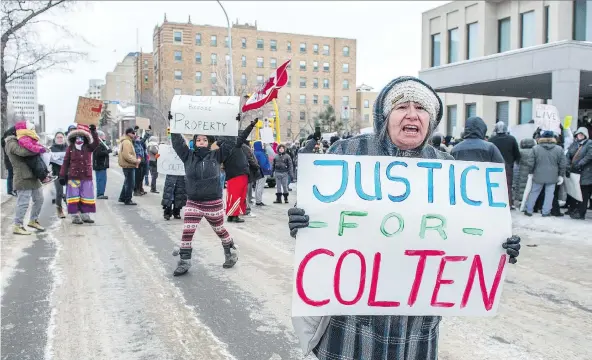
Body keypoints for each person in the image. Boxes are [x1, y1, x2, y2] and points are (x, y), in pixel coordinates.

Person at [287, 76, 521, 360]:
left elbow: (463, 232)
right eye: (401, 106)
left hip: (415, 327)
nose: (412, 114)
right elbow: (320, 220)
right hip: (351, 322)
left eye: (421, 108)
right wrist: (302, 222)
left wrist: (495, 243)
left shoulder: (446, 166)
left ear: (431, 120)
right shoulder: (346, 154)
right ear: (385, 116)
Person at [169, 113, 256, 275]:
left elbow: (231, 142)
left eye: (204, 140)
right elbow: (177, 143)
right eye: (198, 140)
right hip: (193, 201)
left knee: (220, 230)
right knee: (187, 231)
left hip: (212, 202)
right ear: (194, 142)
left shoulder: (216, 154)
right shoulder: (188, 156)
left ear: (209, 142)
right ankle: (184, 261)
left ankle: (230, 251)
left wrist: (232, 122)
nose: (201, 142)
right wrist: (173, 126)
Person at [4, 131, 46, 235]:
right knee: (23, 203)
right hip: (22, 177)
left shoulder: (22, 141)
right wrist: (38, 149)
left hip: (33, 175)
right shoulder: (11, 143)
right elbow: (23, 152)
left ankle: (33, 220)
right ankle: (17, 226)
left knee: (39, 199)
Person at [59, 124, 100, 224]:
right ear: (73, 138)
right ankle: (75, 216)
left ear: (85, 138)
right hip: (73, 177)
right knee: (74, 196)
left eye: (81, 137)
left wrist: (93, 131)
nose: (79, 139)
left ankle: (85, 214)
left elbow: (96, 143)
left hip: (86, 177)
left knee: (86, 196)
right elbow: (65, 162)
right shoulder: (71, 148)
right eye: (77, 137)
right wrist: (62, 175)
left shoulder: (88, 147)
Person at [523, 130, 567, 217]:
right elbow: (563, 164)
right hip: (552, 176)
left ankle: (529, 210)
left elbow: (530, 162)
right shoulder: (559, 149)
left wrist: (531, 172)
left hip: (538, 175)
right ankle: (545, 212)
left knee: (534, 192)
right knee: (550, 194)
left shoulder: (535, 148)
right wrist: (561, 175)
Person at [489, 122, 521, 209]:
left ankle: (494, 203)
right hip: (508, 166)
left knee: (494, 186)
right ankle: (509, 205)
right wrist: (512, 162)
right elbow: (517, 154)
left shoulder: (492, 140)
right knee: (508, 186)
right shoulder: (511, 139)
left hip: (494, 166)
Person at [223, 134, 251, 223]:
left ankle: (231, 215)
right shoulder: (235, 146)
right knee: (238, 196)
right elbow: (243, 136)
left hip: (233, 175)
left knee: (232, 196)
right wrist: (251, 126)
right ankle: (235, 215)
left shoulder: (224, 149)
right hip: (238, 175)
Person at [567, 127, 592, 219]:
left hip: (586, 173)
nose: (580, 135)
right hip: (575, 172)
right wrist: (568, 165)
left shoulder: (589, 143)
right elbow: (568, 155)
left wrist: (580, 164)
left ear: (585, 135)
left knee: (584, 194)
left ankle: (582, 213)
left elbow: (590, 155)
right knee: (575, 192)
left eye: (582, 134)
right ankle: (573, 210)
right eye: (578, 134)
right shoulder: (574, 144)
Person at [118, 127, 141, 205]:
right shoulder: (127, 142)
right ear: (128, 133)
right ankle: (128, 199)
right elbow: (127, 155)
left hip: (128, 165)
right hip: (129, 165)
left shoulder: (127, 141)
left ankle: (122, 197)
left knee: (127, 182)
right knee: (130, 183)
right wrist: (136, 161)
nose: (134, 135)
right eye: (133, 133)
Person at [49, 131, 68, 218]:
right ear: (55, 139)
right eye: (58, 137)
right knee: (59, 192)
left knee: (71, 192)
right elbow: (46, 161)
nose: (60, 139)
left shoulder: (68, 148)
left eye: (61, 137)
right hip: (57, 173)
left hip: (69, 173)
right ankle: (59, 210)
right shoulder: (51, 149)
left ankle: (72, 208)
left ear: (64, 138)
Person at [241, 139, 260, 216]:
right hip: (246, 171)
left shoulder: (239, 146)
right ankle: (246, 209)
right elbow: (250, 159)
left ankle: (244, 208)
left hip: (242, 171)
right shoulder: (245, 147)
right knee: (244, 191)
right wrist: (256, 166)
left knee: (243, 191)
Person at [93, 130, 112, 200]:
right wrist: (107, 151)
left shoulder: (101, 143)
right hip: (100, 165)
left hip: (101, 165)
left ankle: (101, 193)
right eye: (104, 135)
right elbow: (98, 153)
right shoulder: (97, 143)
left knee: (102, 180)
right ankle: (100, 194)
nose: (105, 137)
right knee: (101, 180)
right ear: (100, 136)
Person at [253, 141, 272, 206]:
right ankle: (258, 201)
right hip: (263, 171)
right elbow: (263, 163)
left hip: (258, 171)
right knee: (260, 186)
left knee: (258, 185)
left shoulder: (255, 152)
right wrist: (268, 168)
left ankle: (258, 200)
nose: (263, 145)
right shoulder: (260, 153)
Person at [2, 128, 16, 196]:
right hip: (9, 160)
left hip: (8, 160)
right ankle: (10, 190)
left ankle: (11, 190)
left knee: (11, 175)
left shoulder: (4, 141)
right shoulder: (6, 142)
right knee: (11, 175)